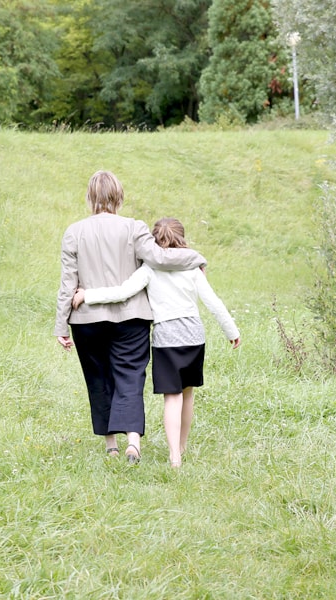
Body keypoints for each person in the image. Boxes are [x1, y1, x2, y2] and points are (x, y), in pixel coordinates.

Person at [55, 172, 206, 465]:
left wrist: (61, 324)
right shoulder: (134, 228)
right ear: (119, 196)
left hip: (86, 319)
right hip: (132, 318)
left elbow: (67, 284)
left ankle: (111, 444)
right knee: (130, 376)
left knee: (98, 378)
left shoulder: (74, 231)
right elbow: (161, 259)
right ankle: (133, 442)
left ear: (90, 197)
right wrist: (195, 258)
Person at [72, 218, 240, 468]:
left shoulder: (149, 269)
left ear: (153, 241)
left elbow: (122, 292)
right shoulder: (192, 267)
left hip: (165, 338)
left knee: (172, 396)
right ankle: (183, 445)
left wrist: (88, 295)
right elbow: (212, 302)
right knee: (188, 391)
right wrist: (231, 330)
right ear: (183, 238)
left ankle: (175, 456)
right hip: (194, 335)